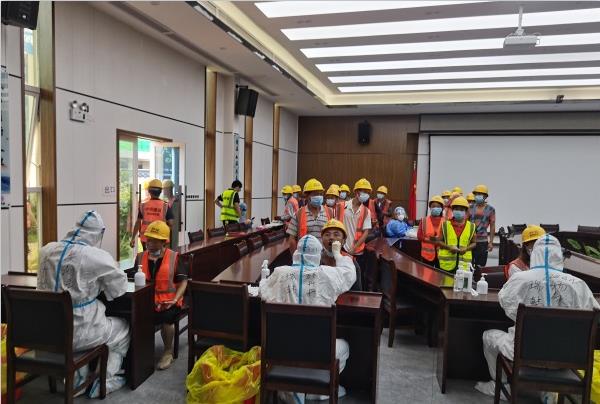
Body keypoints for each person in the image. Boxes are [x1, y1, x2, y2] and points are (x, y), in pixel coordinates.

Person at [475, 234, 600, 403]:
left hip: (522, 352)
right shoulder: (578, 285)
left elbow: (507, 305)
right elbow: (593, 315)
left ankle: (501, 385)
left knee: (488, 336)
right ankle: (547, 391)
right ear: (559, 255)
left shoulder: (520, 279)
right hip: (565, 358)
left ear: (533, 254)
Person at [37, 211, 130, 397]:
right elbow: (119, 288)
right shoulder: (95, 256)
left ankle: (77, 380)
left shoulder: (46, 250)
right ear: (99, 233)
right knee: (122, 329)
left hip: (47, 332)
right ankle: (104, 380)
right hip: (79, 331)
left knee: (81, 336)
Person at [259, 234, 356, 401]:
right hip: (318, 352)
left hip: (282, 350)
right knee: (344, 346)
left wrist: (263, 278)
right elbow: (349, 273)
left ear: (297, 252)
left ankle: (290, 387)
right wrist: (338, 254)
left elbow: (263, 291)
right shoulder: (327, 274)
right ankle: (316, 390)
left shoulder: (280, 273)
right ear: (318, 254)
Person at [135, 220, 188, 370]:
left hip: (169, 301)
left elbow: (183, 282)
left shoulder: (174, 257)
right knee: (133, 315)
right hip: (147, 301)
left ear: (164, 242)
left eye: (154, 241)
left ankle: (167, 352)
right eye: (148, 240)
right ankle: (139, 351)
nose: (149, 243)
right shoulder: (140, 257)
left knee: (167, 318)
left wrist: (175, 299)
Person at [341, 178, 372, 288]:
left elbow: (366, 232)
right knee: (343, 278)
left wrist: (354, 248)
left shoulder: (366, 211)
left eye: (368, 192)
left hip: (357, 251)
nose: (366, 195)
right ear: (356, 192)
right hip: (342, 249)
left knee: (356, 278)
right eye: (364, 191)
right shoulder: (342, 206)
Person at [286, 178, 332, 252]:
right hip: (305, 256)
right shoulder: (299, 214)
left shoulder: (329, 212)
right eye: (315, 194)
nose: (319, 196)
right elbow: (292, 239)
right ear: (307, 196)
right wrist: (296, 257)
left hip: (325, 256)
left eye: (320, 194)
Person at [130, 179, 174, 251]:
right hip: (160, 239)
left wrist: (133, 238)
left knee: (147, 256)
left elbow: (138, 223)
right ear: (160, 191)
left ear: (149, 191)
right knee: (160, 257)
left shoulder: (143, 205)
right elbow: (171, 223)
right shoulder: (165, 206)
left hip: (146, 238)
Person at [320, 219, 362, 290]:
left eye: (336, 235)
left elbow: (357, 292)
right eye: (327, 235)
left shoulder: (351, 262)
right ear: (322, 240)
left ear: (343, 241)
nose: (331, 237)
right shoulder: (316, 259)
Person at [437, 196, 476, 272]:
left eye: (461, 210)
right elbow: (439, 241)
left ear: (466, 211)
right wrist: (449, 247)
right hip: (447, 265)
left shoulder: (471, 226)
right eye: (456, 209)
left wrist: (466, 248)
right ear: (452, 210)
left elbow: (474, 243)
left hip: (463, 266)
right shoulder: (445, 225)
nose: (458, 211)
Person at [469, 184, 496, 268]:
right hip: (470, 241)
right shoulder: (470, 208)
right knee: (468, 265)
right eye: (476, 194)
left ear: (485, 196)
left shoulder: (490, 209)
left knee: (480, 266)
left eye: (480, 194)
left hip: (483, 242)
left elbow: (492, 226)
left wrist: (491, 242)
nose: (477, 196)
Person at [417, 195, 445, 267]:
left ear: (442, 208)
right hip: (427, 256)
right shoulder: (424, 220)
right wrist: (430, 240)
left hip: (442, 255)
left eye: (438, 206)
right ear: (430, 207)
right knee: (427, 273)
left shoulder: (446, 222)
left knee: (439, 273)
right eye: (433, 206)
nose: (436, 208)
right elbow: (419, 236)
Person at [162, 179, 181, 249]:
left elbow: (174, 221)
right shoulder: (167, 201)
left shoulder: (175, 201)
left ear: (168, 189)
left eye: (164, 189)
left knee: (172, 249)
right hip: (167, 230)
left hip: (173, 231)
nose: (163, 191)